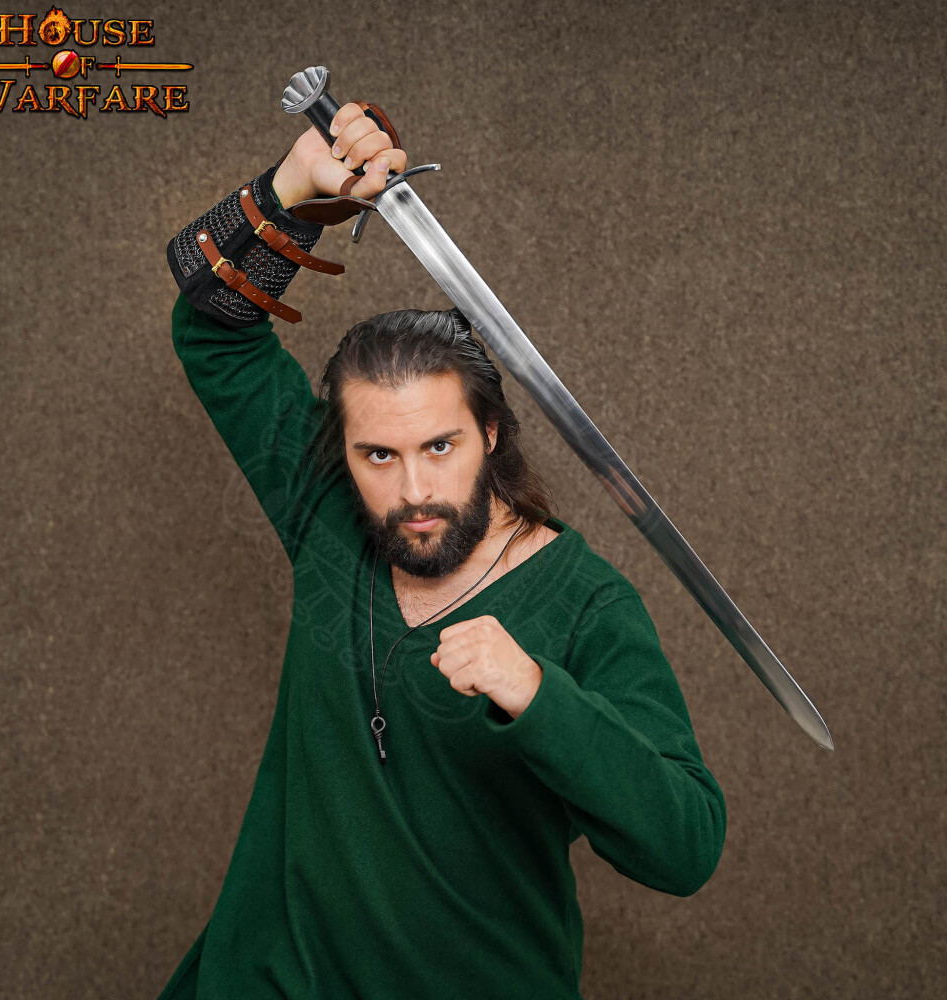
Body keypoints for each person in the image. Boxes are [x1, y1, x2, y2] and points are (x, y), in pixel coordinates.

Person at [159, 101, 726, 1000]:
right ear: (343, 453)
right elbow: (212, 331)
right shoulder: (328, 515)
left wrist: (538, 694)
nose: (413, 490)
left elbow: (686, 846)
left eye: (440, 446)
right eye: (378, 456)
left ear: (490, 433)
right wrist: (294, 190)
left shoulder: (586, 604)